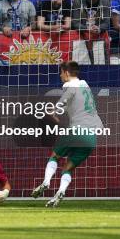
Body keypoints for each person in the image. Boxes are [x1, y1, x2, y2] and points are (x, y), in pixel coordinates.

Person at [32, 61, 104, 207]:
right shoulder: (85, 85)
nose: (60, 75)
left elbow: (65, 99)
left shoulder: (69, 85)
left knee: (55, 156)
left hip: (77, 130)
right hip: (91, 137)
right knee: (68, 167)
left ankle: (46, 181)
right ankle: (61, 191)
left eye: (61, 72)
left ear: (66, 72)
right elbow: (74, 105)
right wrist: (59, 110)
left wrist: (53, 110)